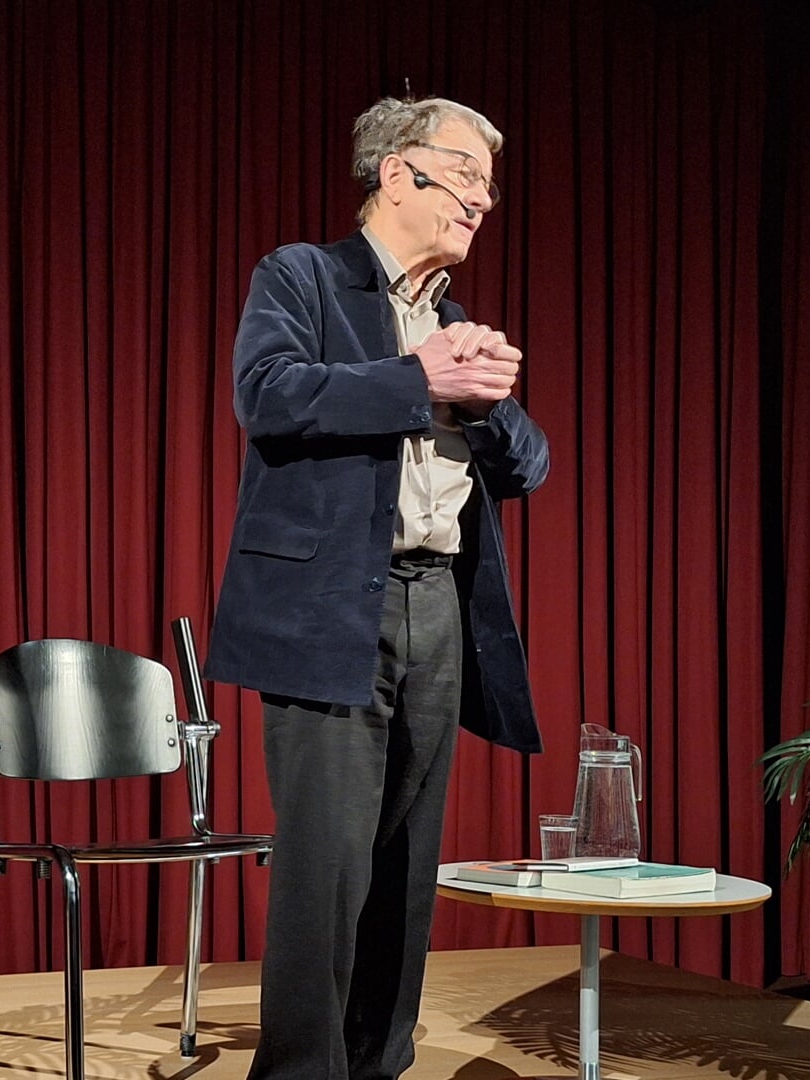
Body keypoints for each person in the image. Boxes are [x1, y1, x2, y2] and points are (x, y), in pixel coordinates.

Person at [204, 96, 550, 1080]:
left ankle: (375, 1064)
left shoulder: (447, 321)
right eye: (466, 177)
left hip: (434, 605)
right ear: (399, 173)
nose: (483, 201)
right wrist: (416, 375)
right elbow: (265, 394)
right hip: (327, 609)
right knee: (326, 869)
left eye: (491, 185)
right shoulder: (304, 276)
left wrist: (485, 401)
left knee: (404, 867)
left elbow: (525, 468)